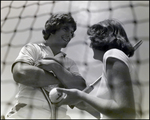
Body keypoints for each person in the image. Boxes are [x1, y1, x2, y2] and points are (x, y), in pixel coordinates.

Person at [5, 13, 86, 119]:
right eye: (65, 29)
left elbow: (81, 87)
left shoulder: (70, 62)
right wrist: (64, 81)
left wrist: (55, 67)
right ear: (53, 29)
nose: (69, 35)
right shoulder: (33, 49)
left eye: (71, 32)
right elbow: (21, 73)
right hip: (26, 115)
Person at [56, 19, 141, 119]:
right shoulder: (114, 59)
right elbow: (110, 112)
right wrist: (85, 104)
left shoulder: (112, 54)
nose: (90, 45)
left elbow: (125, 112)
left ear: (101, 39)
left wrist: (80, 95)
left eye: (92, 39)